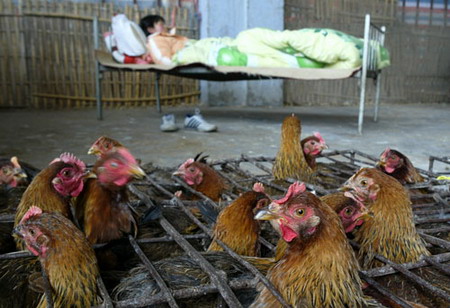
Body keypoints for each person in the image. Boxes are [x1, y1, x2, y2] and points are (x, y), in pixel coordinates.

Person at [140, 15, 217, 133]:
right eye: (160, 24)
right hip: (194, 52)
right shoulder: (155, 39)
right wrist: (175, 63)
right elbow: (163, 58)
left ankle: (182, 120)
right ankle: (189, 120)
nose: (164, 27)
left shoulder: (164, 36)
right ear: (150, 29)